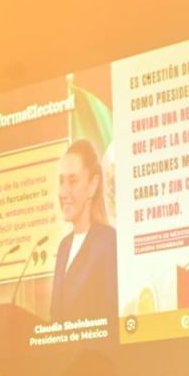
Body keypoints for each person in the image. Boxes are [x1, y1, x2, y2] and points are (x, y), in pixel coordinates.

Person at [50, 139, 118, 325]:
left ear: (92, 185)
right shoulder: (64, 247)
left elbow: (110, 315)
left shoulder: (108, 242)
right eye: (61, 181)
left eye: (73, 181)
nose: (63, 192)